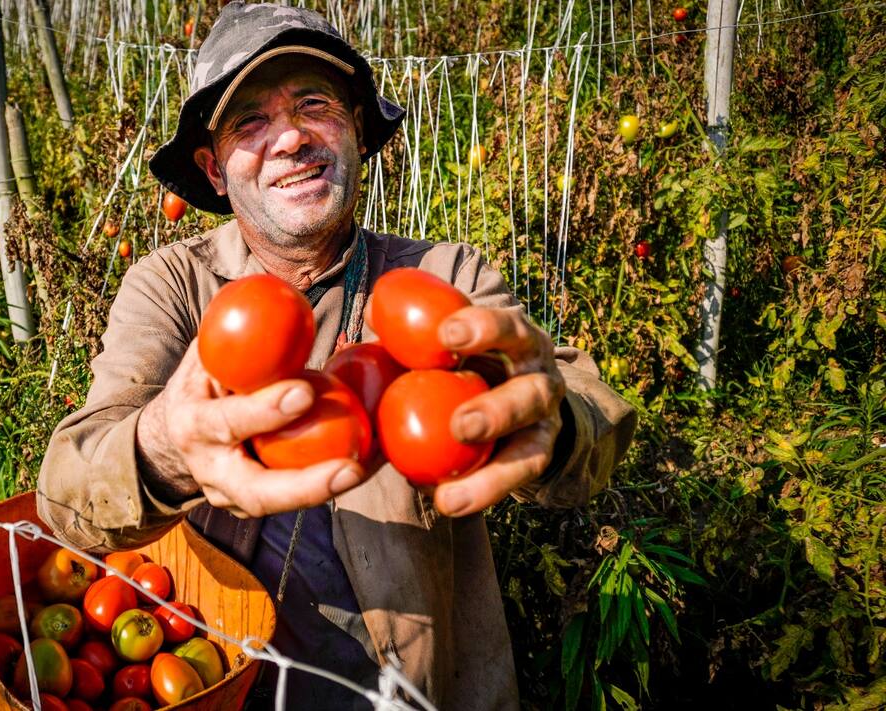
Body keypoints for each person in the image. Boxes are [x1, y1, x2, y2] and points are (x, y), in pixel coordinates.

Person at [38, 3, 636, 708]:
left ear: (354, 129)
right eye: (250, 123)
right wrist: (164, 441)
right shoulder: (173, 286)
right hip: (219, 683)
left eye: (314, 105)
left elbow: (591, 413)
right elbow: (68, 493)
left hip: (415, 689)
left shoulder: (442, 280)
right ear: (215, 170)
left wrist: (555, 420)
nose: (290, 136)